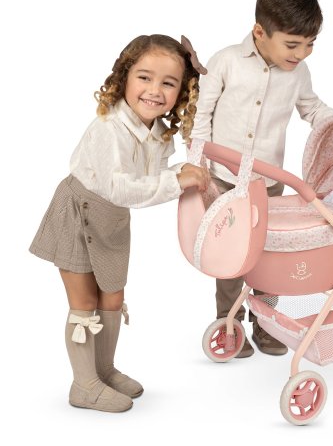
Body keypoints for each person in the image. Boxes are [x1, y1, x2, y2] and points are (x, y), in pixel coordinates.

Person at [29, 34, 210, 412]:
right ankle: (83, 385)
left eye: (168, 83)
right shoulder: (109, 128)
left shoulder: (158, 133)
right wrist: (176, 181)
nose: (155, 90)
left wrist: (180, 171)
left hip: (112, 217)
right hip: (79, 210)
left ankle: (103, 369)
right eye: (145, 77)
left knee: (112, 296)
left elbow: (150, 177)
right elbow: (121, 187)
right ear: (124, 77)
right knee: (84, 301)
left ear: (181, 92)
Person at [191, 0, 333, 358]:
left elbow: (312, 109)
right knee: (232, 258)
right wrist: (196, 164)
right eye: (292, 44)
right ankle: (229, 322)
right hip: (225, 180)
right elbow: (202, 116)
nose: (301, 53)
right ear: (260, 31)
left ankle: (266, 321)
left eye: (310, 44)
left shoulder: (298, 74)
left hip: (269, 183)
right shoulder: (226, 62)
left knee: (269, 256)